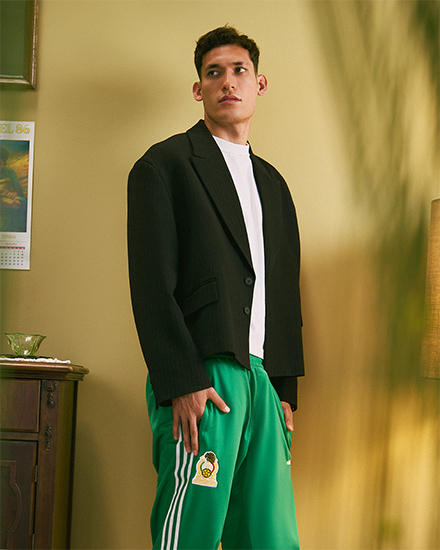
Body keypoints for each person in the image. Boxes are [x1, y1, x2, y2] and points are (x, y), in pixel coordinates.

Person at [128, 25, 305, 550]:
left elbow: (283, 291)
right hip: (203, 378)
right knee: (193, 533)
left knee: (270, 537)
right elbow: (151, 284)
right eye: (214, 72)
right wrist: (181, 380)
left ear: (259, 84)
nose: (228, 81)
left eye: (239, 70)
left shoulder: (273, 184)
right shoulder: (164, 166)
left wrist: (283, 391)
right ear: (198, 88)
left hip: (262, 383)